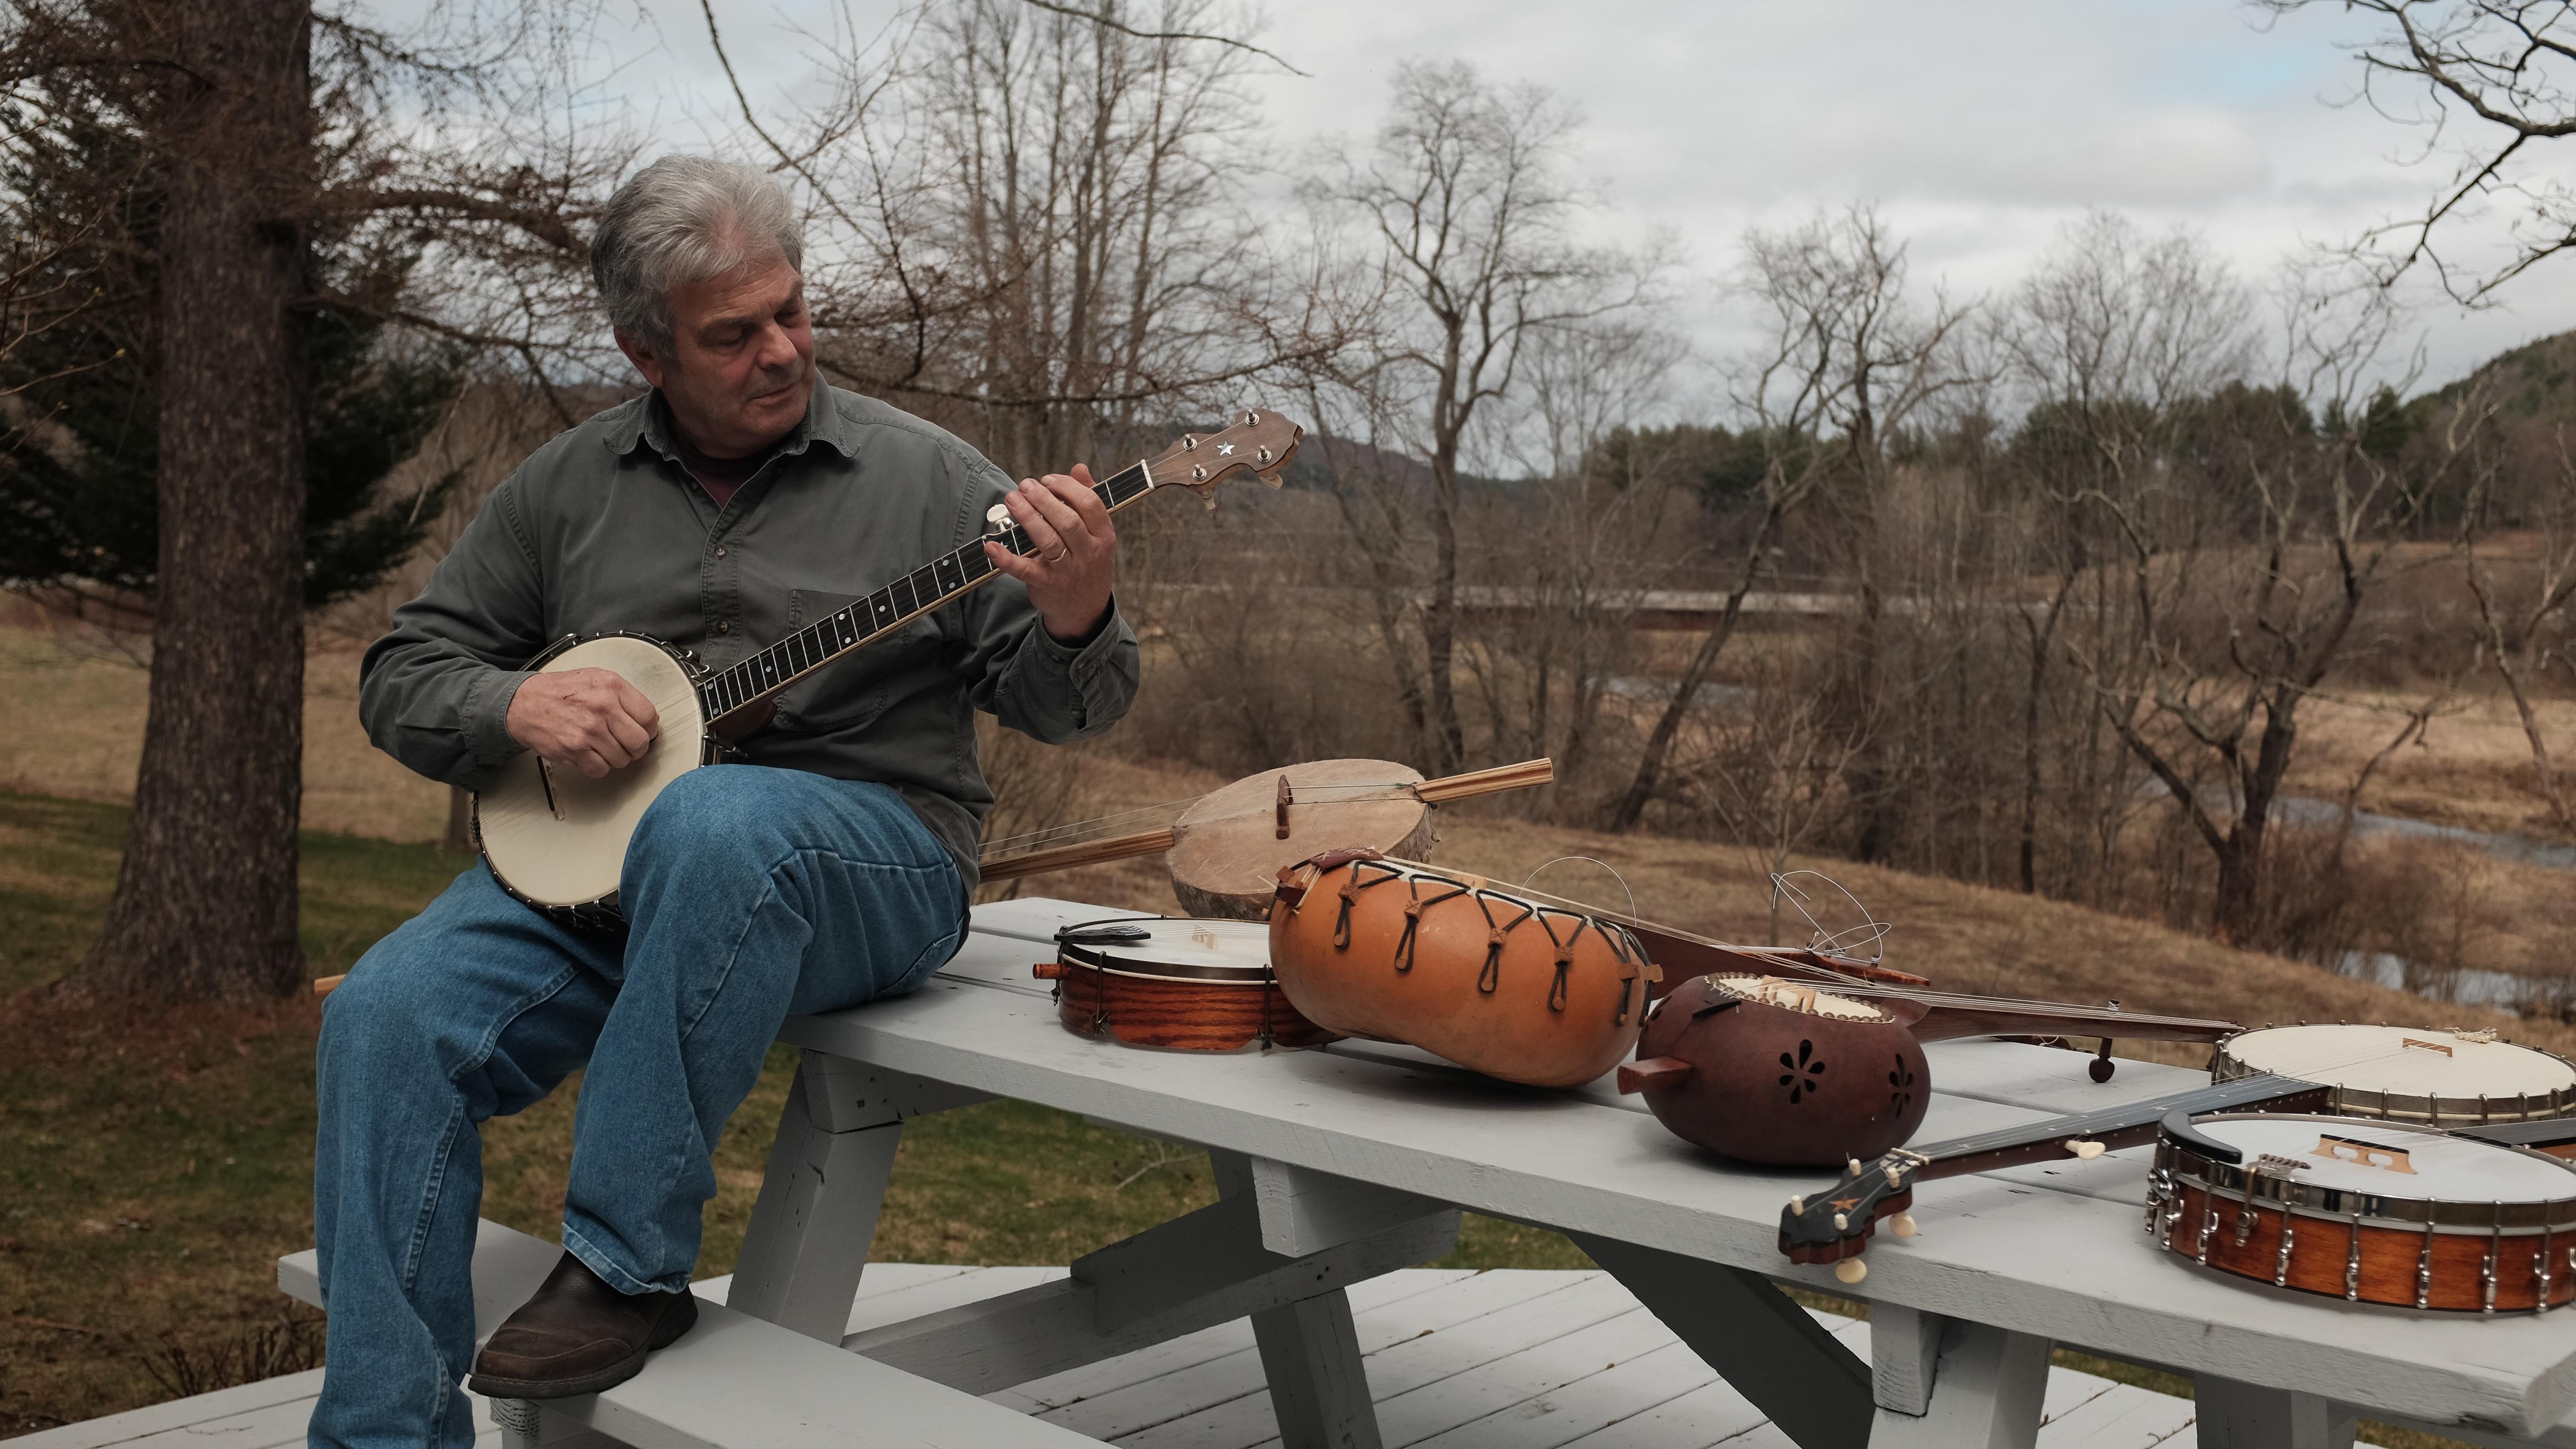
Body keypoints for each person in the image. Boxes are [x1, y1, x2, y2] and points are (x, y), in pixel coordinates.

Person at [311, 155, 1138, 1448]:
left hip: (875, 865)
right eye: (733, 334)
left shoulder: (927, 478)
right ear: (647, 352)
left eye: (792, 313)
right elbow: (402, 672)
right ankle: (381, 1436)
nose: (781, 350)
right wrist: (512, 709)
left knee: (716, 819)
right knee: (383, 1018)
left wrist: (1078, 611)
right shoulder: (561, 491)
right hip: (605, 881)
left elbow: (1067, 708)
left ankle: (627, 1270)